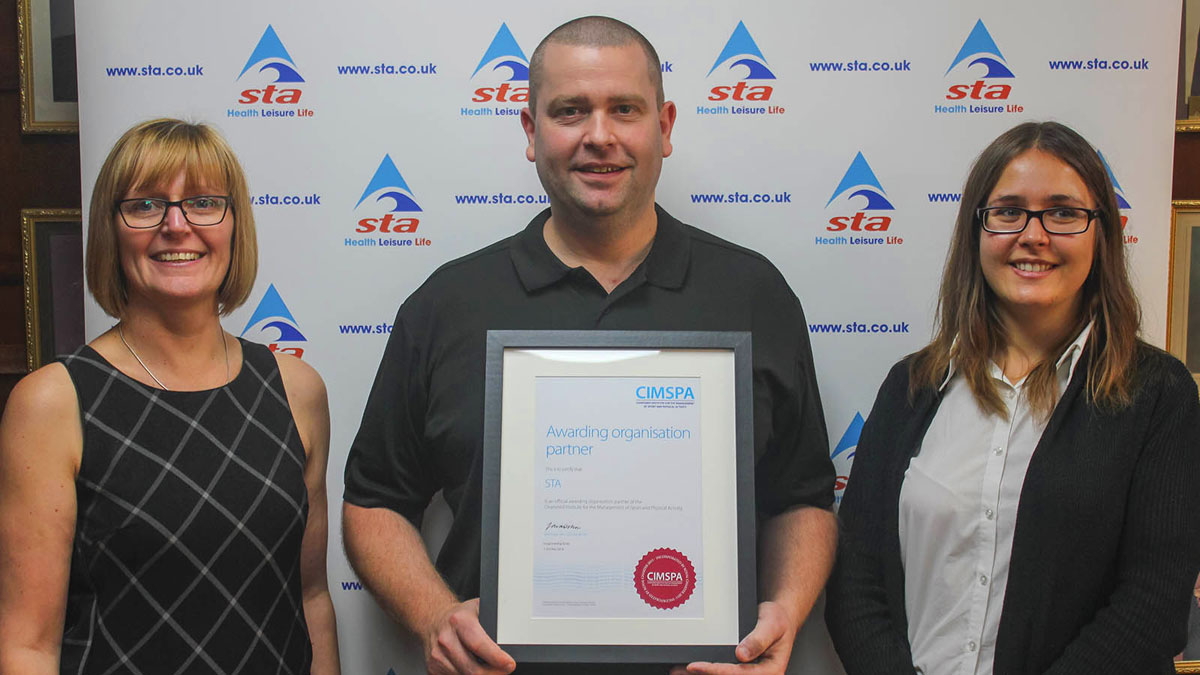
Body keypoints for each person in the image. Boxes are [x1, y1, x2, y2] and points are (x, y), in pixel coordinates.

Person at [342, 15, 836, 675]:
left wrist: (787, 610)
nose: (599, 136)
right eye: (571, 111)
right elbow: (374, 499)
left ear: (664, 126)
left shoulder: (754, 294)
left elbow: (803, 496)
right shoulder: (447, 303)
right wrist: (436, 614)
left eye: (624, 109)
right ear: (530, 131)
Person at [825, 121, 1200, 674]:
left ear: (1102, 233)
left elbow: (1153, 604)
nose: (1034, 234)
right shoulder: (911, 387)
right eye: (1008, 211)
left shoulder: (1158, 395)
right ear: (977, 229)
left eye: (1064, 212)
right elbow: (855, 582)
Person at [0, 119, 341, 674]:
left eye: (204, 203)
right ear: (112, 231)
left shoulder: (296, 390)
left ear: (235, 226)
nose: (176, 226)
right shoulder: (52, 403)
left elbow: (311, 599)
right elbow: (28, 645)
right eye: (145, 205)